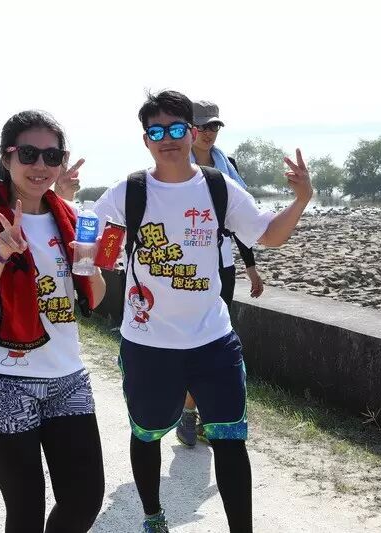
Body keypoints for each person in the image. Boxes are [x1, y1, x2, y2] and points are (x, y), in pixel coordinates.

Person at [92, 90, 313, 533]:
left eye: (176, 128)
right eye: (157, 131)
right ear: (146, 140)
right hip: (148, 344)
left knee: (230, 440)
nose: (168, 139)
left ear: (192, 133)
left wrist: (301, 199)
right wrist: (64, 204)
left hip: (213, 341)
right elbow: (93, 244)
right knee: (146, 433)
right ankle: (153, 517)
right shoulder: (129, 192)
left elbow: (267, 234)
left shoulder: (217, 187)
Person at [0, 110, 104, 533]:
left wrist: (88, 263)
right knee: (25, 511)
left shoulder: (69, 217)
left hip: (67, 377)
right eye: (29, 154)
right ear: (7, 157)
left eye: (51, 156)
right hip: (2, 380)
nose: (40, 165)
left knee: (84, 499)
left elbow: (93, 297)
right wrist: (1, 254)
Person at [176, 99, 265, 447]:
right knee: (190, 339)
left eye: (213, 126)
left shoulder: (228, 167)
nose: (208, 132)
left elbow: (239, 220)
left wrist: (251, 267)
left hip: (221, 262)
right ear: (189, 130)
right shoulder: (174, 165)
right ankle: (187, 412)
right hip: (184, 264)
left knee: (215, 339)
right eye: (202, 126)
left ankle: (202, 414)